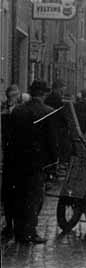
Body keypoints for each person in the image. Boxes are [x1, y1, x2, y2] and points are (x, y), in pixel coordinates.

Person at [5, 81, 57, 243]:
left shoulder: (18, 111)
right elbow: (52, 142)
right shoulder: (48, 112)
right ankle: (30, 232)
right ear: (44, 94)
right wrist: (53, 163)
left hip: (16, 161)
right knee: (35, 198)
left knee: (19, 196)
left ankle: (19, 231)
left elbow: (9, 136)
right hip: (37, 164)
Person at [1, 85, 20, 238]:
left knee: (15, 193)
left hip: (15, 155)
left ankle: (14, 225)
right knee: (8, 193)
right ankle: (9, 225)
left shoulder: (21, 110)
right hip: (7, 155)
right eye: (10, 96)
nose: (11, 98)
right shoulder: (3, 109)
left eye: (14, 96)